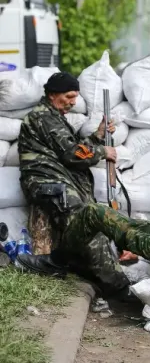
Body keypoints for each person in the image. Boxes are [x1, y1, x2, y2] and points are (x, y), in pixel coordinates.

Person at [17, 149, 150, 285]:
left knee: (96, 213)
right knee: (94, 211)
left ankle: (58, 262)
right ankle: (69, 260)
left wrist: (122, 236)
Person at [16, 72, 131, 294]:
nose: (73, 102)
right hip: (47, 183)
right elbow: (72, 154)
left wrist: (97, 137)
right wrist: (102, 151)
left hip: (58, 182)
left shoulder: (54, 117)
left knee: (90, 222)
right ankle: (119, 287)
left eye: (75, 97)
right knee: (83, 222)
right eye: (68, 96)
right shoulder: (43, 117)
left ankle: (71, 265)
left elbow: (74, 149)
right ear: (52, 95)